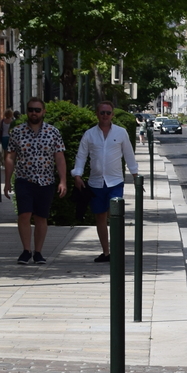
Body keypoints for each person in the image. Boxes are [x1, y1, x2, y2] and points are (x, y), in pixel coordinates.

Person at [73, 100, 140, 264]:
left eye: (108, 113)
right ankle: (106, 251)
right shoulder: (89, 134)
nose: (105, 116)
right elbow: (81, 156)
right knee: (100, 216)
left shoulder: (121, 133)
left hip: (115, 182)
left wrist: (135, 175)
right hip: (96, 183)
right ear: (97, 114)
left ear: (112, 115)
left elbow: (129, 154)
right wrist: (77, 175)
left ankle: (117, 250)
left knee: (115, 215)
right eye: (102, 112)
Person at [3, 98, 67, 264]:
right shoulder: (17, 132)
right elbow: (10, 157)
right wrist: (7, 181)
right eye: (31, 109)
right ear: (27, 111)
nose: (34, 113)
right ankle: (26, 250)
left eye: (37, 110)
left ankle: (38, 252)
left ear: (43, 112)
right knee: (24, 214)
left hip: (46, 180)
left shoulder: (53, 132)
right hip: (24, 179)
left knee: (41, 217)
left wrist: (63, 180)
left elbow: (59, 158)